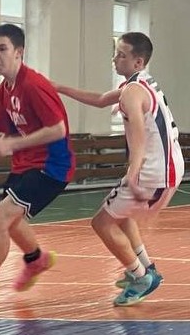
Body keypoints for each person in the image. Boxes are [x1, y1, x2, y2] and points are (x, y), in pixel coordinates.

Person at [53, 32, 181, 306]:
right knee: (122, 215)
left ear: (138, 62)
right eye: (115, 52)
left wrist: (132, 175)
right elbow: (101, 99)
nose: (115, 58)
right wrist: (60, 88)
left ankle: (141, 277)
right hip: (166, 165)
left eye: (121, 55)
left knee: (101, 223)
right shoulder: (139, 83)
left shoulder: (133, 93)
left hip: (153, 170)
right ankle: (146, 268)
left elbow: (139, 138)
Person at [0, 24, 75, 312]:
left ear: (18, 52)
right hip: (24, 164)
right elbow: (8, 137)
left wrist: (14, 145)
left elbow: (58, 129)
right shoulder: (2, 92)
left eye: (2, 49)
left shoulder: (34, 85)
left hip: (51, 166)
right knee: (12, 221)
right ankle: (36, 259)